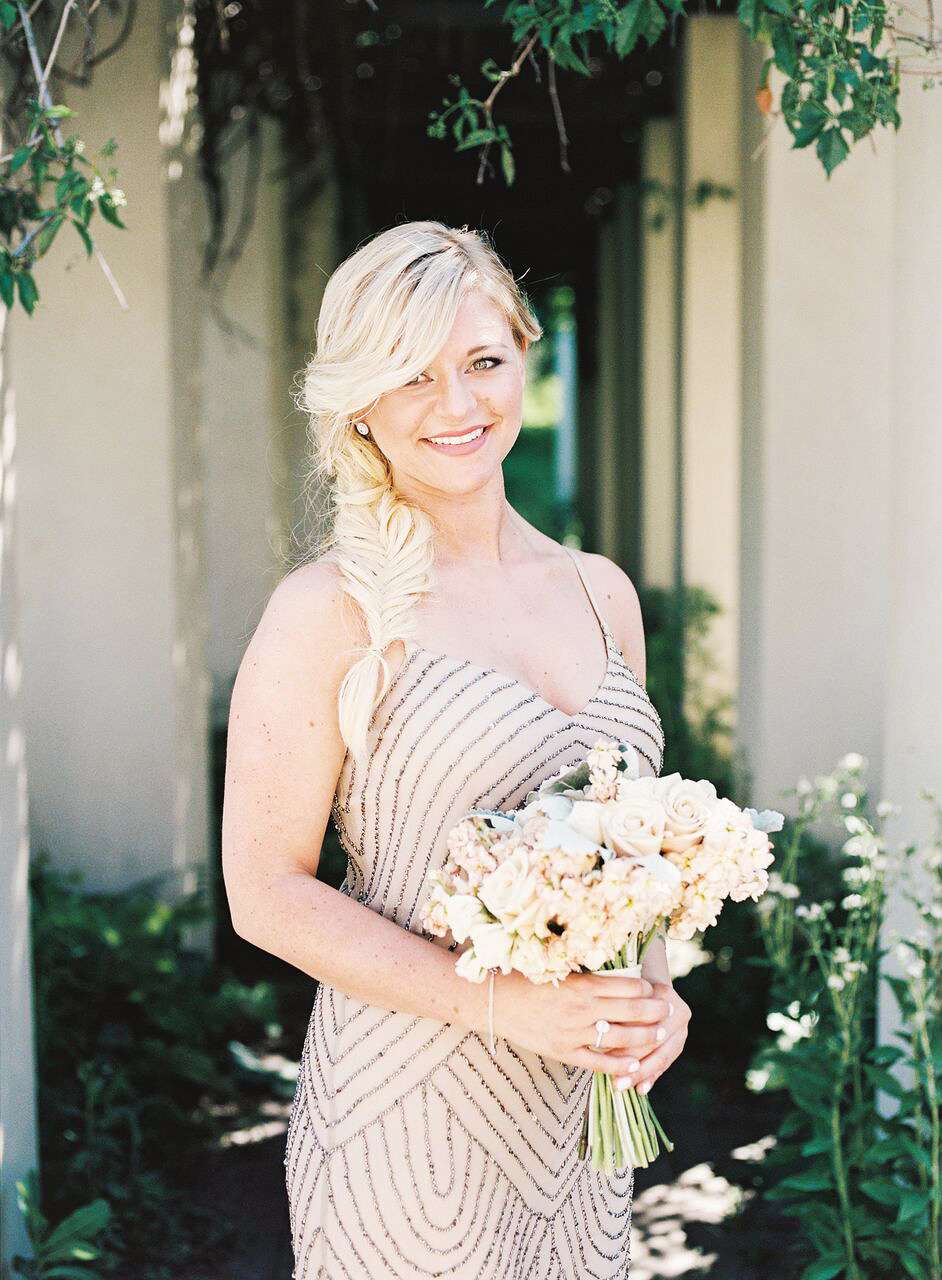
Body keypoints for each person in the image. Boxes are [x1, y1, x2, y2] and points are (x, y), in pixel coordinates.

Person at [221, 220, 691, 1279]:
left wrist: (654, 994)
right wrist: (501, 1004)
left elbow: (631, 854)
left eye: (482, 361)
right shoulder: (328, 610)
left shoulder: (601, 593)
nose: (457, 404)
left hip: (575, 1127)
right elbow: (265, 892)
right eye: (412, 375)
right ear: (361, 404)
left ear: (525, 354)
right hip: (407, 1119)